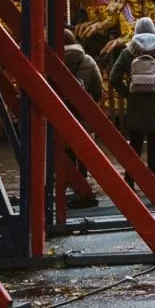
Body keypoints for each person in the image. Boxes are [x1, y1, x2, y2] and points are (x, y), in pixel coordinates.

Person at [109, 16, 155, 178]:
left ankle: (131, 176)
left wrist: (128, 93)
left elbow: (114, 78)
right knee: (154, 140)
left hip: (136, 103)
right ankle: (152, 175)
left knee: (135, 142)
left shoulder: (128, 52)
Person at [58, 29, 104, 210]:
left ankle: (72, 185)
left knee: (66, 150)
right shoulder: (88, 60)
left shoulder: (55, 61)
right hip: (83, 112)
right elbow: (98, 86)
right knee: (83, 150)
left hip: (63, 112)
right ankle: (84, 182)